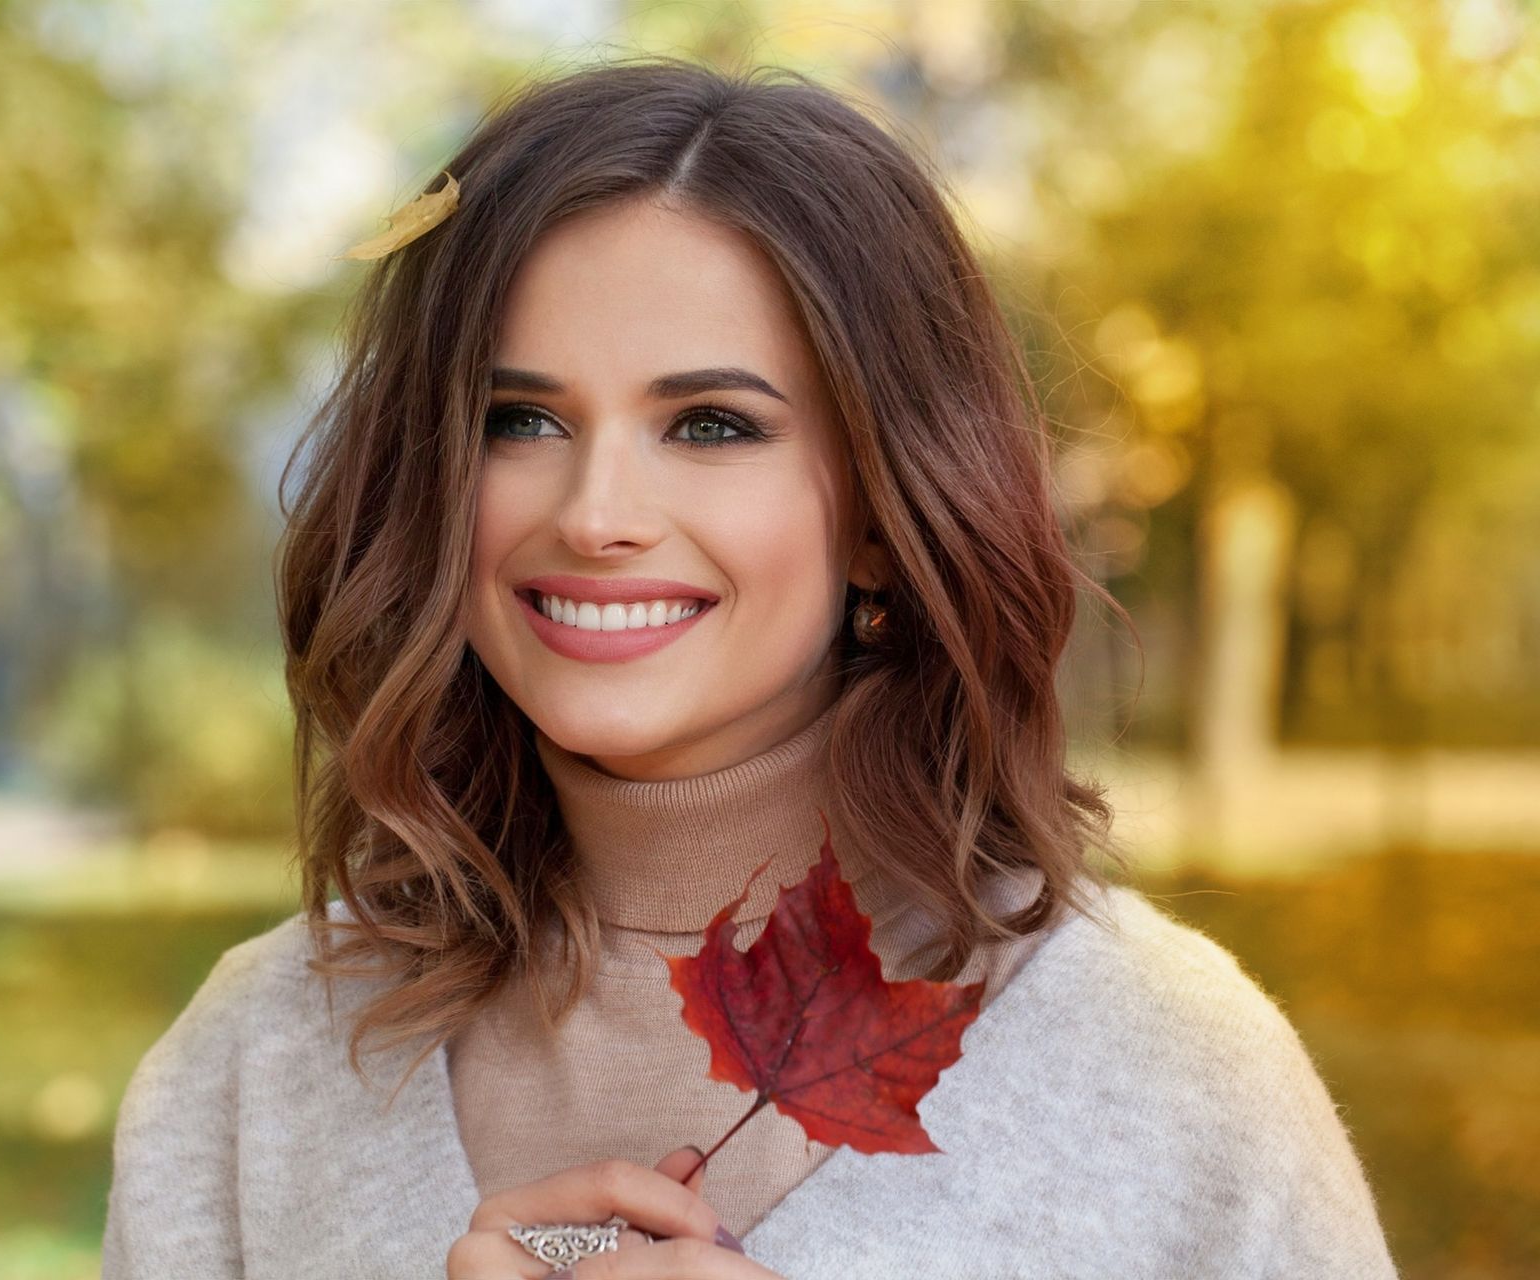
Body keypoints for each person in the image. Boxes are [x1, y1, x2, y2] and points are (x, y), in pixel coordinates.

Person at [100, 57, 1398, 1279]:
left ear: (887, 518)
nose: (597, 511)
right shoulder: (258, 1064)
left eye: (711, 424)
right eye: (521, 421)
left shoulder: (1162, 1067)